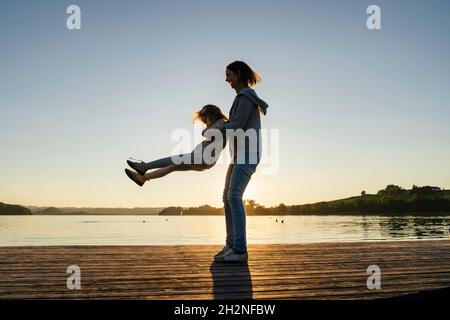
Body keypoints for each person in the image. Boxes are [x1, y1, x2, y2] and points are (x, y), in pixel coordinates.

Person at [214, 61, 269, 263]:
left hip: (249, 152)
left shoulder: (245, 97)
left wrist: (216, 129)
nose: (227, 79)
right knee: (226, 196)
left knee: (234, 195)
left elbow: (237, 124)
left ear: (238, 74)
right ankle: (231, 244)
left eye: (229, 75)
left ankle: (240, 250)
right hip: (240, 153)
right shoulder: (241, 97)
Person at [125, 104, 228, 186]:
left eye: (206, 119)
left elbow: (208, 133)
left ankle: (145, 167)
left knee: (174, 159)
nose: (205, 122)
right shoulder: (219, 124)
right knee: (172, 167)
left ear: (211, 115)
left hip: (202, 158)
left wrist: (208, 126)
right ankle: (142, 178)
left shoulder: (220, 123)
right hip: (203, 160)